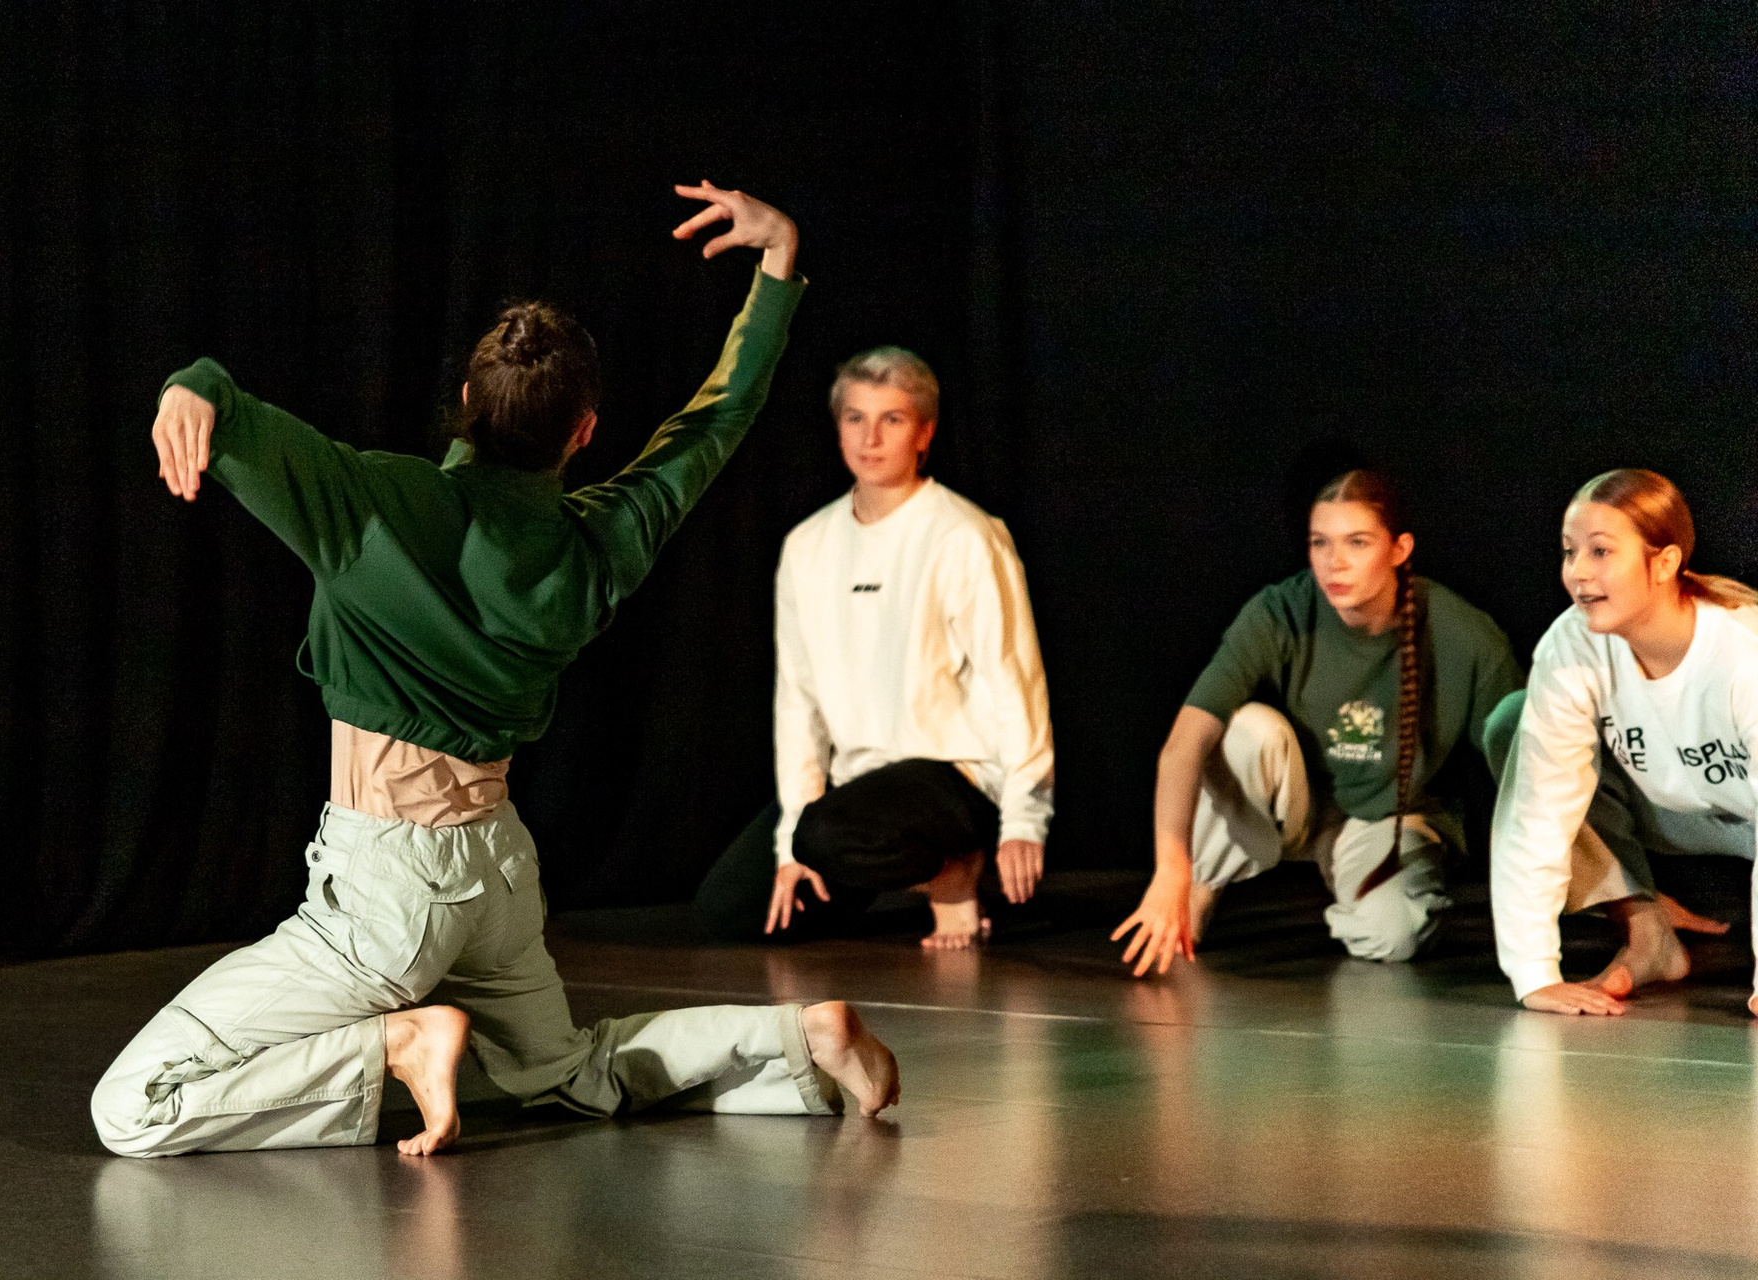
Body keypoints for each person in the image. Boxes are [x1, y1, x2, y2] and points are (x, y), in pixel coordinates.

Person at [91, 182, 900, 1159]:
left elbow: (227, 410)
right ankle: (799, 1038)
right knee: (570, 1072)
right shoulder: (600, 541)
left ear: (468, 403)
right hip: (498, 872)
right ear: (585, 430)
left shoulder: (374, 506)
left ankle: (396, 1043)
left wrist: (193, 383)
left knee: (134, 1105)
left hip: (387, 887)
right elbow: (713, 424)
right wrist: (778, 264)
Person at [693, 347, 1054, 950]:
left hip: (954, 778)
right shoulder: (808, 544)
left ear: (924, 433)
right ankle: (899, 871)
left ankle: (954, 871)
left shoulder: (964, 535)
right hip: (856, 795)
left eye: (892, 419)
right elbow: (798, 701)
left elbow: (1014, 683)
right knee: (731, 910)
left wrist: (1023, 819)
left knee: (827, 836)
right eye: (856, 418)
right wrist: (789, 842)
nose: (871, 437)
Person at [1112, 469, 1522, 974]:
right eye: (1320, 542)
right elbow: (1184, 743)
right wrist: (1171, 869)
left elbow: (1529, 766)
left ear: (1399, 549)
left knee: (1393, 933)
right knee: (1247, 732)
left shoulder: (1465, 634)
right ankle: (1202, 885)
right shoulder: (1280, 611)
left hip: (1386, 818)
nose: (1335, 562)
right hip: (1297, 805)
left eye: (1357, 542)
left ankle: (1355, 892)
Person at [1487, 468, 1756, 1017]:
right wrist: (1534, 972)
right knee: (1514, 723)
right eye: (1570, 552)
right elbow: (1538, 811)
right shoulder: (1573, 644)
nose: (1578, 572)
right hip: (1673, 812)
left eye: (1601, 551)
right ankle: (1648, 933)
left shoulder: (1742, 651)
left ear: (1665, 562)